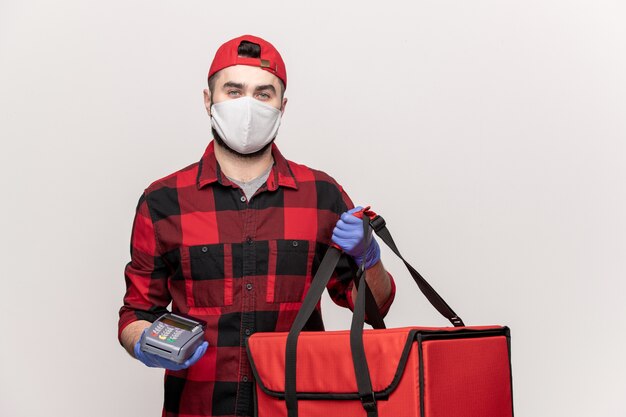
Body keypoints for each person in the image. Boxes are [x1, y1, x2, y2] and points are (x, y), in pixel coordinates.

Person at [118, 34, 396, 417]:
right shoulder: (162, 200)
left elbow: (374, 310)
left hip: (297, 408)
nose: (248, 106)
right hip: (198, 409)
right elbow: (135, 313)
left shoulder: (322, 194)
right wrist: (144, 341)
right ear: (208, 101)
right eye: (234, 91)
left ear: (282, 106)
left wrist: (369, 257)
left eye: (263, 94)